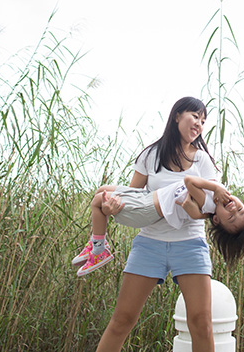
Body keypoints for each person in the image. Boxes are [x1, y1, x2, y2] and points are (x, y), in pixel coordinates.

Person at [93, 97, 223, 352]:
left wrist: (191, 206)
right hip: (149, 243)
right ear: (177, 116)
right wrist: (111, 208)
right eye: (195, 116)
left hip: (190, 244)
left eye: (203, 121)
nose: (199, 124)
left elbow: (210, 208)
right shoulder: (150, 155)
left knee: (201, 324)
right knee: (122, 320)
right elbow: (133, 198)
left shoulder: (203, 161)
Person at [73, 174, 244, 276]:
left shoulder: (208, 203)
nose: (234, 210)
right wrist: (216, 188)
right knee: (102, 190)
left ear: (216, 220)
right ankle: (95, 242)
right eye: (241, 210)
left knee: (98, 201)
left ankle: (99, 250)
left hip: (147, 209)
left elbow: (189, 181)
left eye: (231, 217)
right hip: (147, 197)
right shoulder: (215, 197)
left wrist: (215, 188)